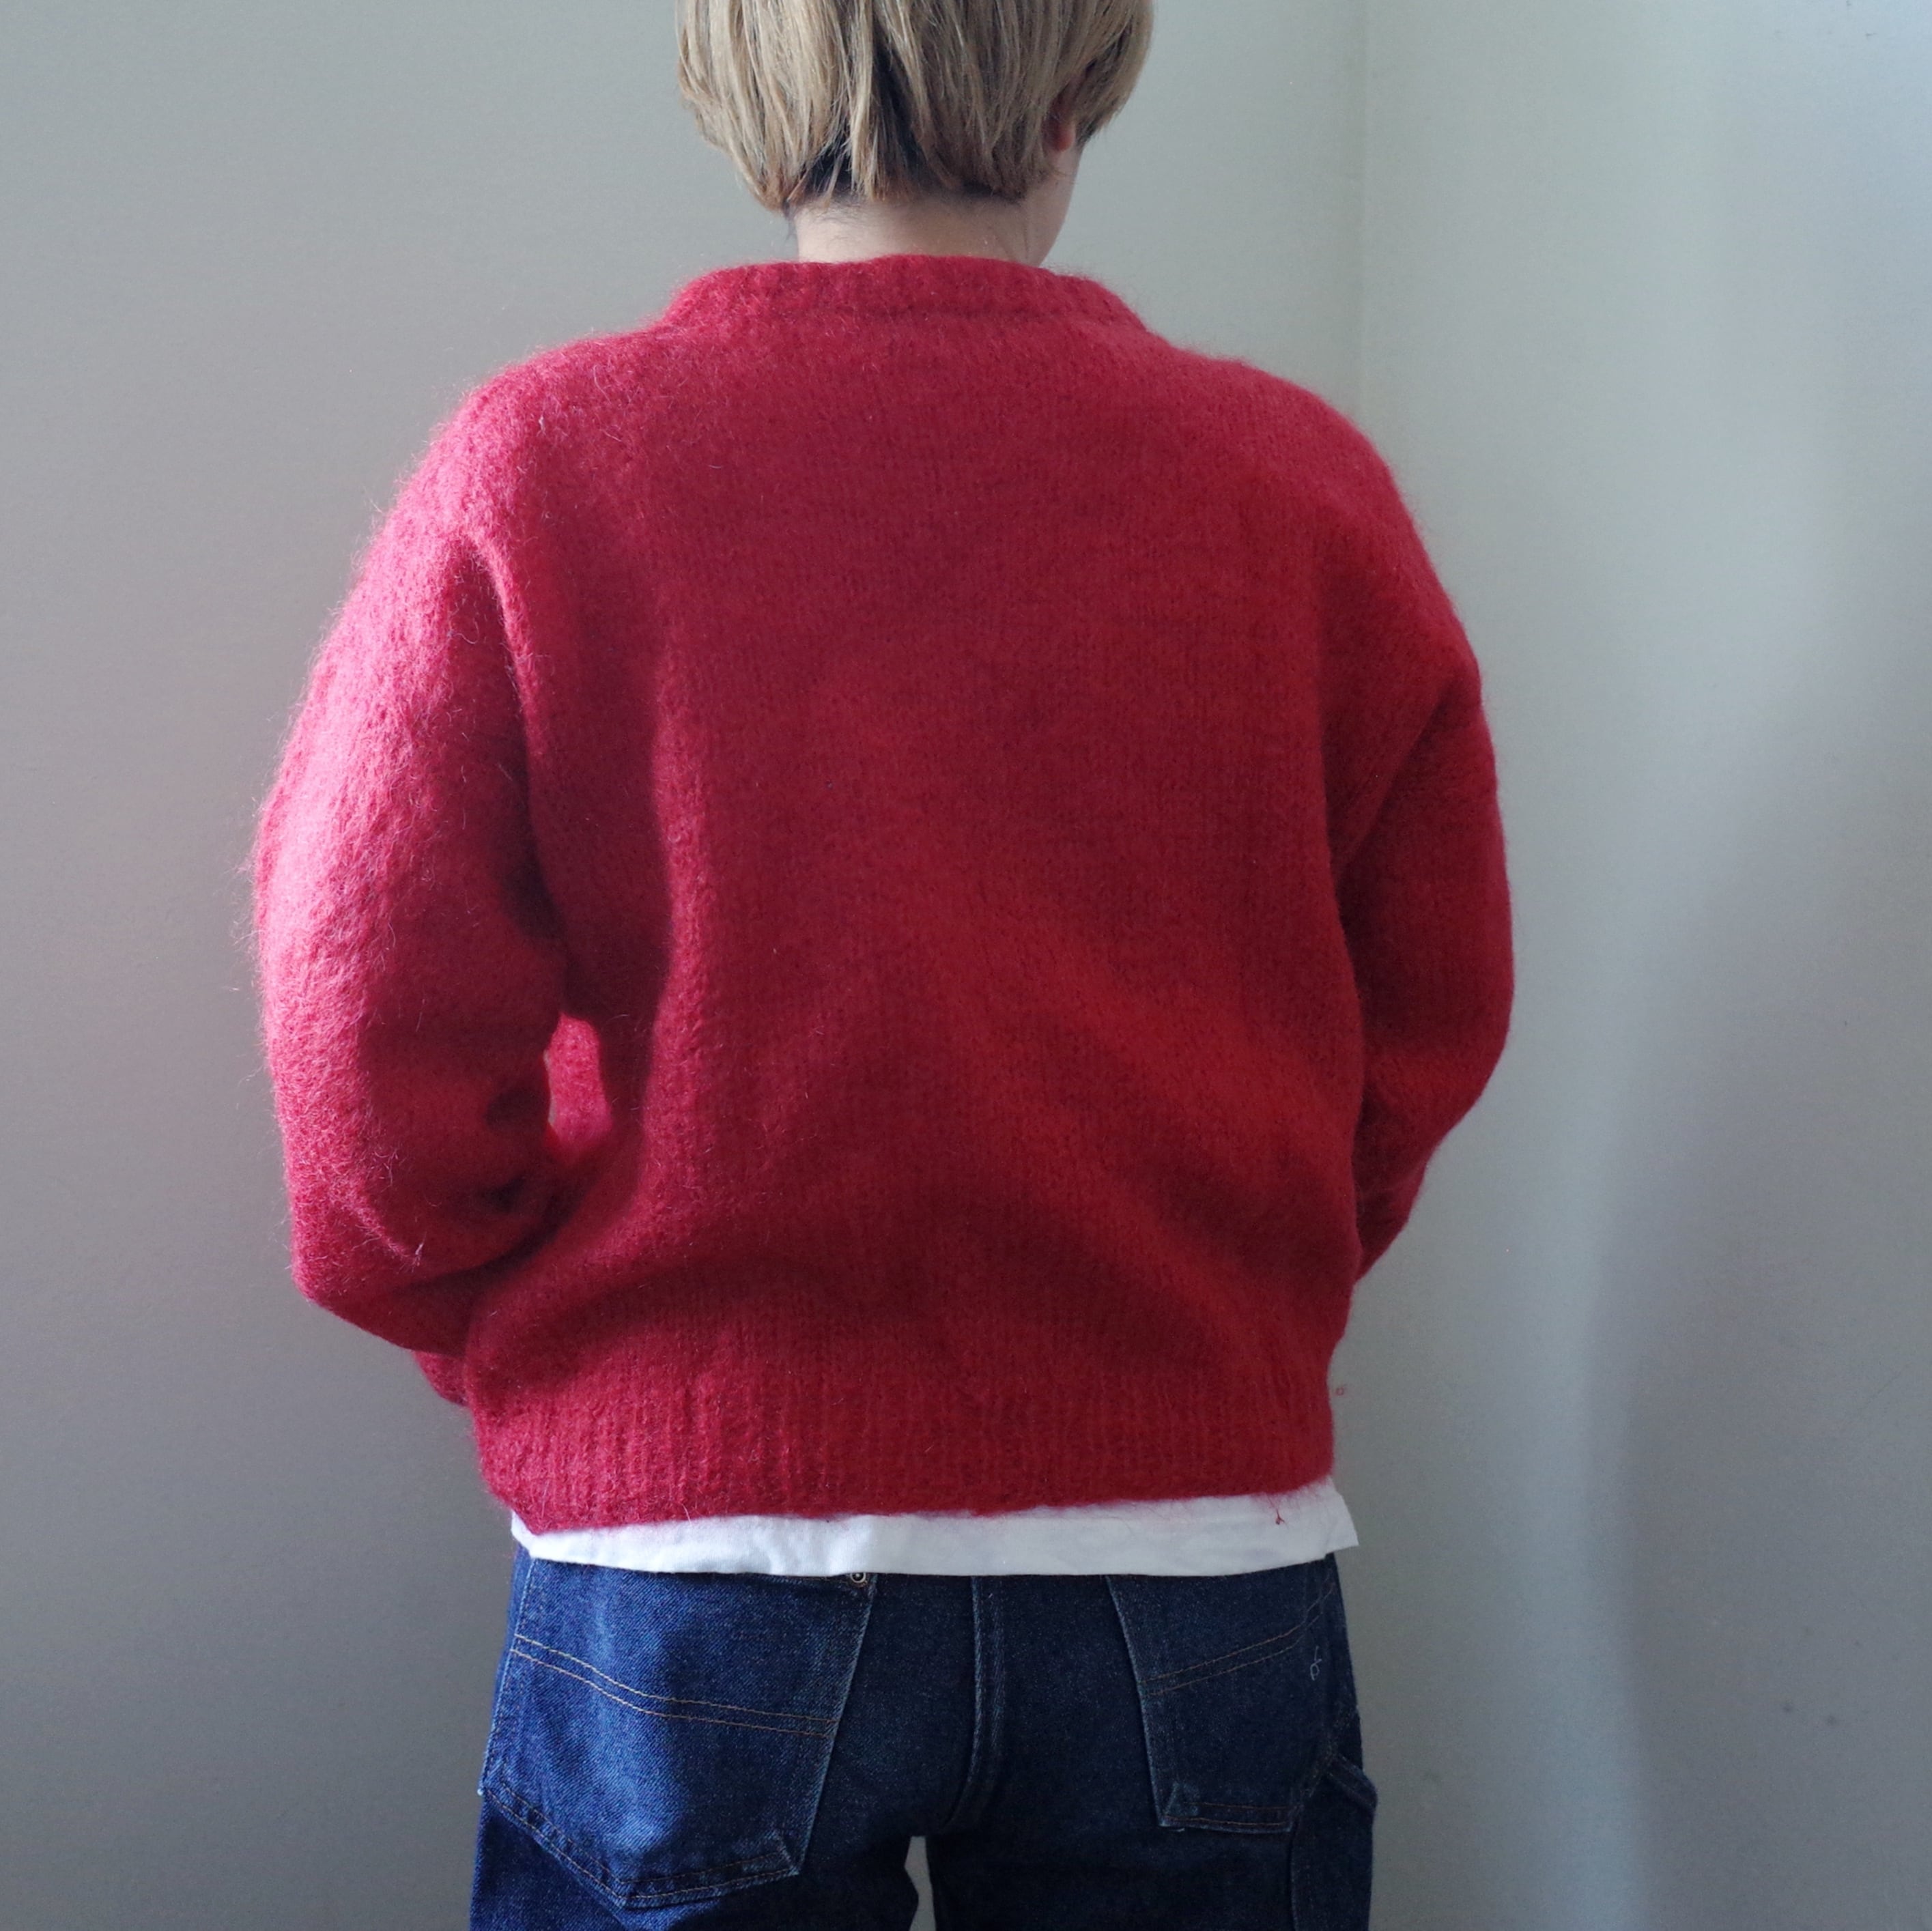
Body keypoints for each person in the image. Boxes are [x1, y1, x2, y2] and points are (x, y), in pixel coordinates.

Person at [249, 1, 1514, 1923]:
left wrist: (515, 1324)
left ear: (739, 87)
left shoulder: (549, 461)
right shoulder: (1295, 484)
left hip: (698, 1549)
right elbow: (1426, 1005)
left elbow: (360, 1012)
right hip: (1191, 1534)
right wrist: (1230, 1280)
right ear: (1085, 80)